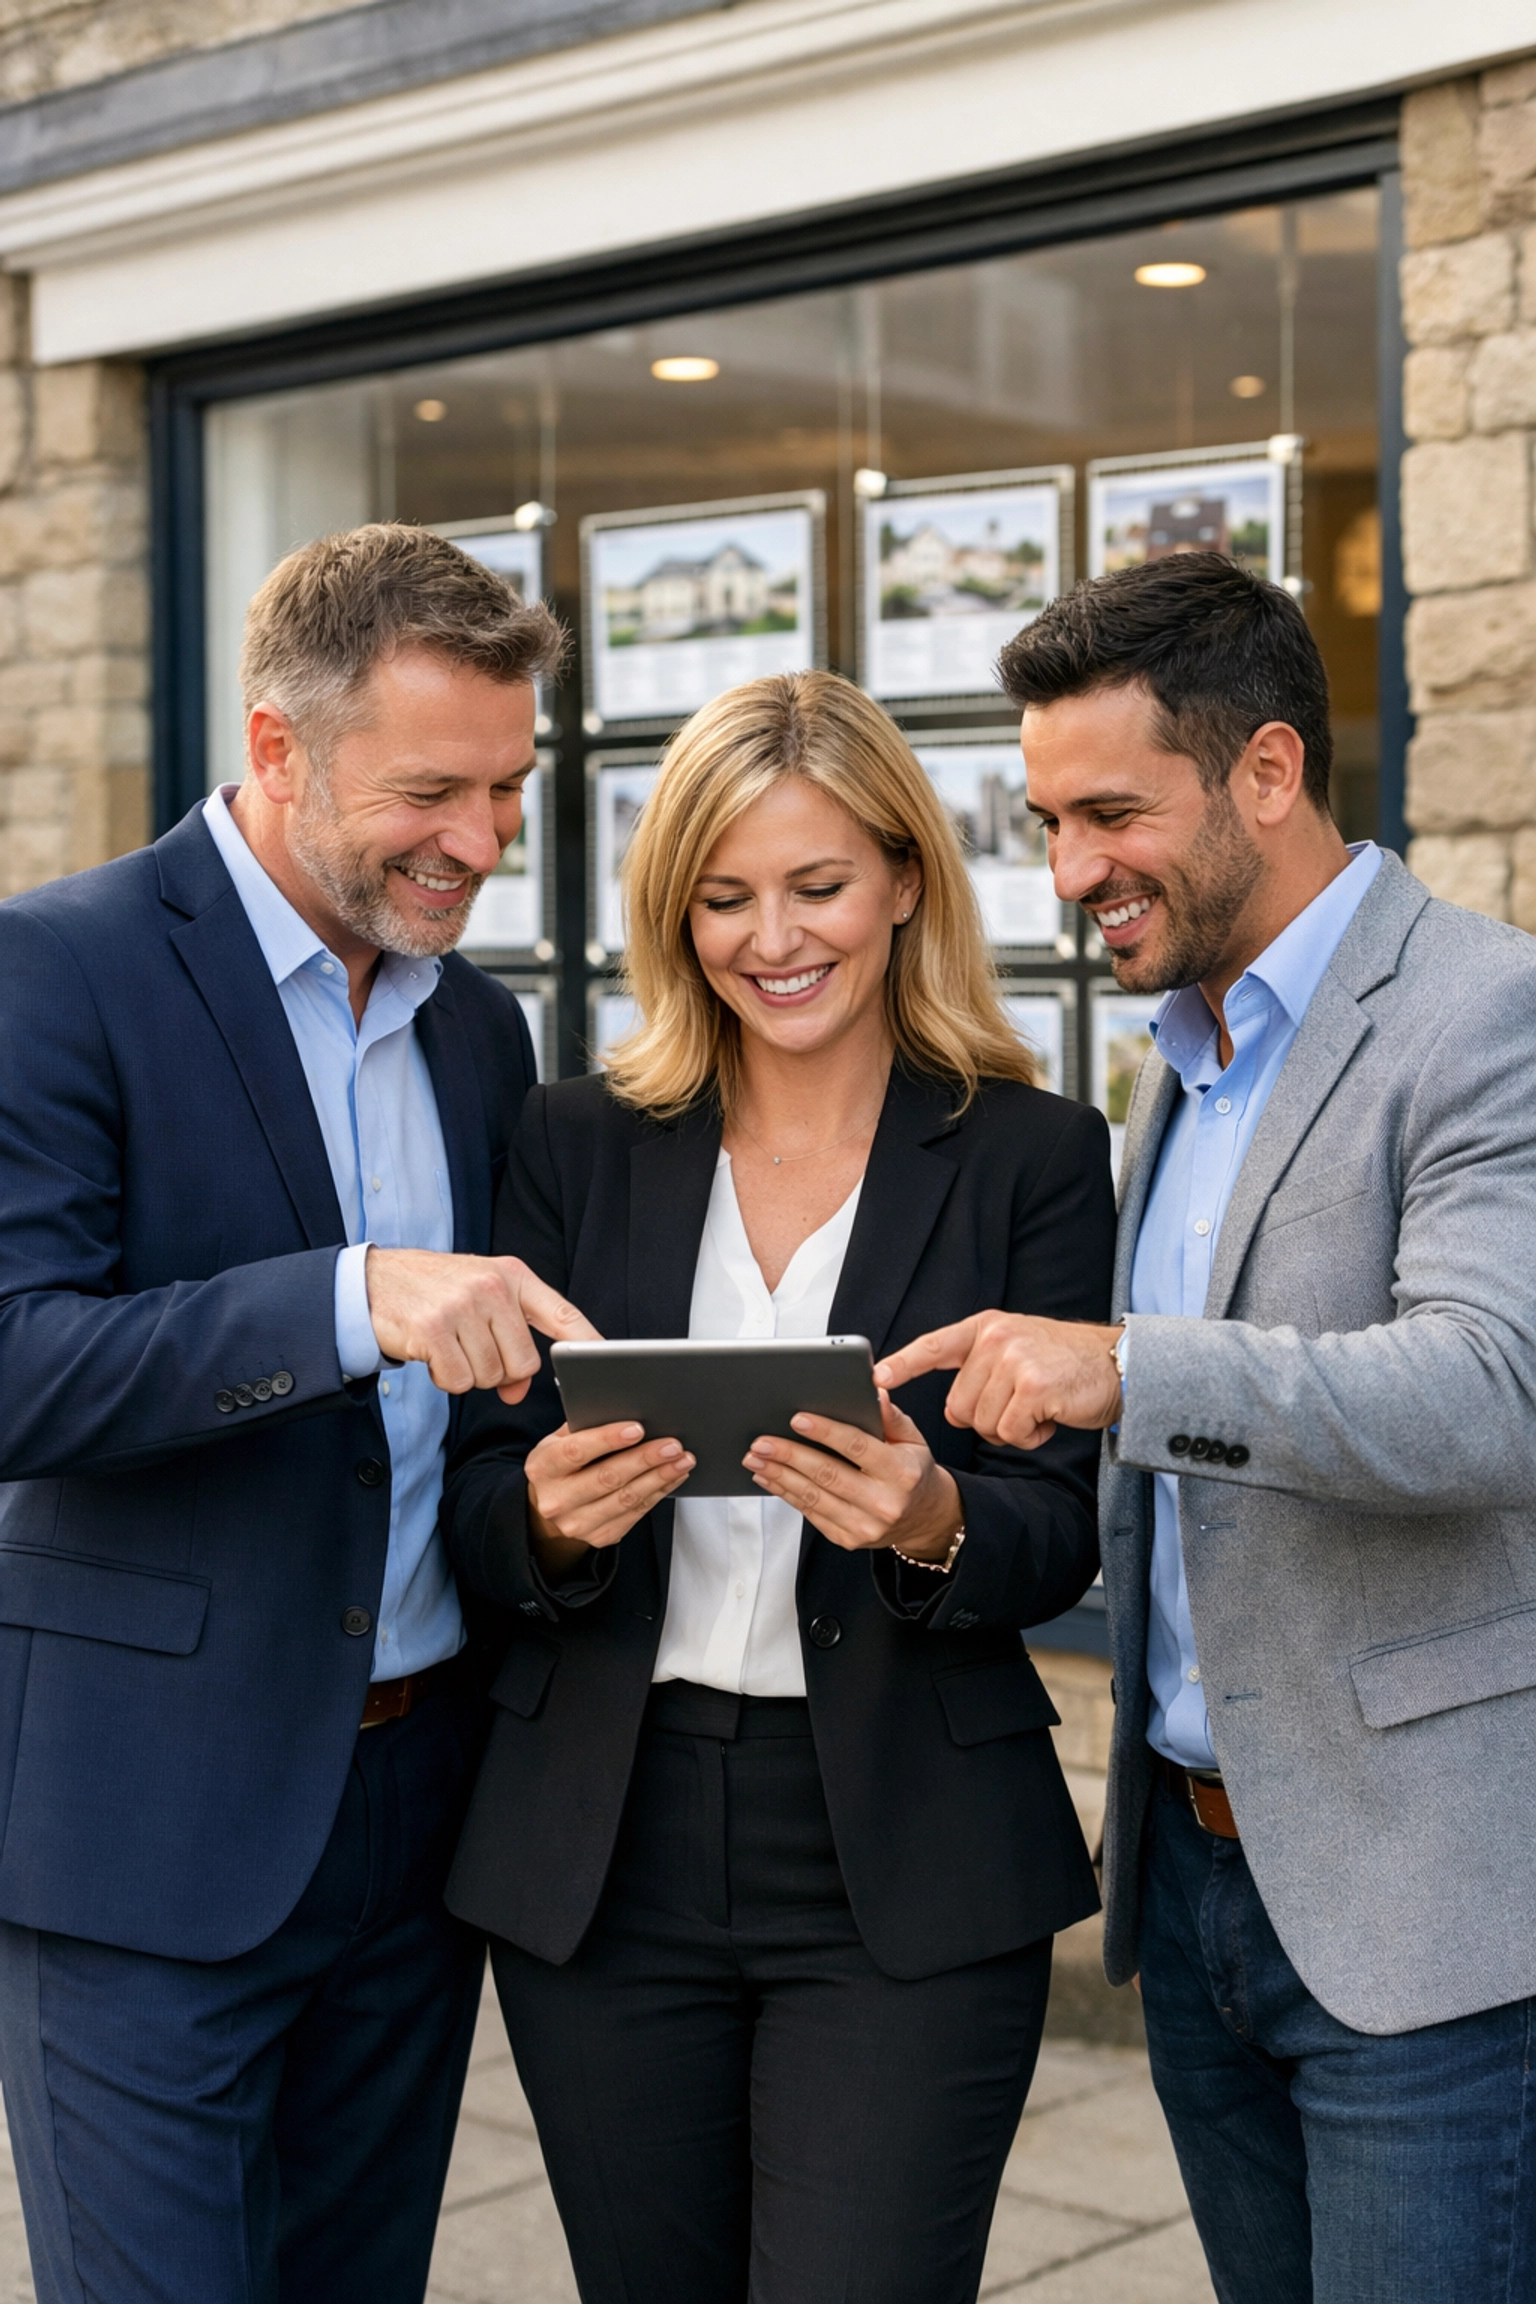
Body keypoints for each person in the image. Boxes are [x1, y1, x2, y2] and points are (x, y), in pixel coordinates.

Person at [875, 552, 1536, 2303]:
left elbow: (1496, 1391)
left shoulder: (1486, 1011)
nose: (1073, 868)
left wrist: (1130, 1369)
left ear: (1266, 770)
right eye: (1046, 821)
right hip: (1196, 1894)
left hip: (1423, 1919)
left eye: (1110, 813)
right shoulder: (1181, 1047)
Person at [438, 669, 1115, 2304]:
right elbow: (468, 1501)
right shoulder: (574, 1138)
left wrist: (931, 1519)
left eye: (816, 886)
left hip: (901, 1840)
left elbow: (1064, 1525)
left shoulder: (1031, 1150)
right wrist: (545, 1520)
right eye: (723, 897)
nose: (773, 937)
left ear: (901, 878)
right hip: (609, 1842)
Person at [0, 524, 599, 2304]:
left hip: (420, 1815)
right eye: (432, 790)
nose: (482, 842)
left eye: (507, 788)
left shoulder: (480, 1029)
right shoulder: (54, 970)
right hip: (145, 1830)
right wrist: (352, 1300)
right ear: (277, 750)